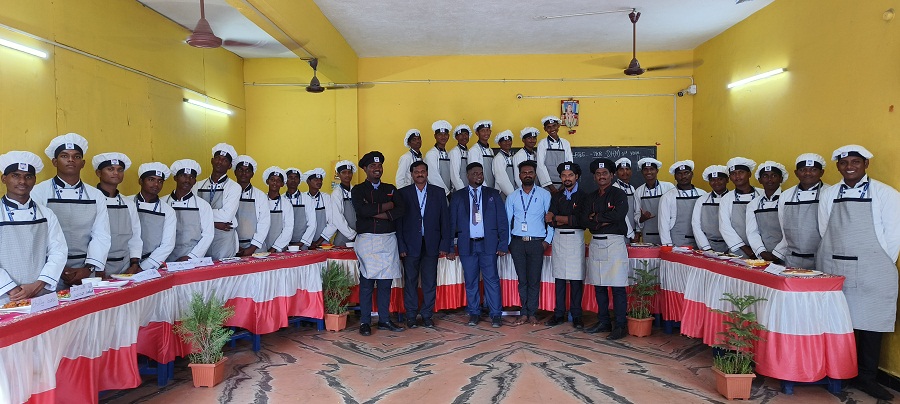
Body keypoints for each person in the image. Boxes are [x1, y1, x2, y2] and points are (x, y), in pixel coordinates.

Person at [817, 145, 900, 401]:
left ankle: (867, 377)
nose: (849, 167)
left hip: (873, 267)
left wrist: (877, 262)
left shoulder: (886, 194)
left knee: (871, 323)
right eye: (844, 163)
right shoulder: (829, 194)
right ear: (837, 166)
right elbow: (824, 229)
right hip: (836, 266)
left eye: (856, 162)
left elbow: (893, 237)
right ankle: (842, 372)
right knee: (841, 323)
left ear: (866, 164)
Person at [32, 133, 110, 287]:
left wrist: (88, 269)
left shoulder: (96, 195)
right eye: (64, 156)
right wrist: (56, 268)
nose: (71, 160)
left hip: (85, 271)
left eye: (76, 156)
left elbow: (101, 234)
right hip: (49, 270)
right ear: (55, 162)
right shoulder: (38, 192)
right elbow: (37, 236)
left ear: (83, 163)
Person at [0, 151, 66, 304]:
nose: (22, 181)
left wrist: (39, 284)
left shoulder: (46, 214)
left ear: (35, 180)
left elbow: (58, 251)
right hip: (5, 296)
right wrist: (11, 288)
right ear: (4, 179)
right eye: (15, 175)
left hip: (41, 294)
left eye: (28, 176)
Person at [352, 151, 406, 336]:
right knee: (367, 283)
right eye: (372, 166)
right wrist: (387, 206)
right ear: (365, 169)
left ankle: (384, 319)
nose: (377, 169)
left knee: (385, 283)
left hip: (388, 239)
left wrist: (375, 212)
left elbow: (401, 210)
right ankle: (365, 322)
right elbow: (362, 210)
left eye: (379, 165)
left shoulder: (390, 188)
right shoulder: (358, 190)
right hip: (367, 240)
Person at [450, 162, 508, 328]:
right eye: (474, 173)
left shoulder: (493, 194)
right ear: (467, 176)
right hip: (467, 245)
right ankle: (474, 313)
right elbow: (451, 223)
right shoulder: (458, 196)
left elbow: (502, 221)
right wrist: (449, 247)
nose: (478, 176)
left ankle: (495, 314)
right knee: (471, 281)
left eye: (481, 173)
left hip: (488, 244)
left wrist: (503, 244)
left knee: (492, 280)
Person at [396, 161, 452, 329]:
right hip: (410, 246)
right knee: (410, 281)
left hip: (431, 244)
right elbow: (399, 223)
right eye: (416, 172)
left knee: (429, 282)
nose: (420, 174)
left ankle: (427, 315)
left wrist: (444, 244)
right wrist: (401, 246)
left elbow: (445, 220)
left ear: (427, 173)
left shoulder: (438, 192)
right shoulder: (403, 193)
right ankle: (411, 316)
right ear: (411, 174)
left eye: (422, 171)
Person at [581, 158, 630, 340]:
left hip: (614, 243)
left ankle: (620, 325)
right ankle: (604, 321)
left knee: (617, 286)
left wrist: (596, 217)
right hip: (596, 242)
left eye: (605, 173)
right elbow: (584, 219)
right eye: (598, 174)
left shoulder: (619, 194)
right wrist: (603, 219)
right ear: (594, 177)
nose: (601, 176)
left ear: (612, 175)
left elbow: (618, 215)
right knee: (599, 285)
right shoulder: (591, 197)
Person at [506, 160, 553, 325]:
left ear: (535, 175)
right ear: (519, 176)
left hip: (537, 243)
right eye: (524, 172)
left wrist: (547, 241)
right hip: (517, 243)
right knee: (522, 280)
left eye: (530, 172)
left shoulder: (544, 195)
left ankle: (532, 312)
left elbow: (550, 220)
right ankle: (524, 312)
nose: (527, 175)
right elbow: (506, 222)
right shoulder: (512, 197)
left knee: (534, 280)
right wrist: (509, 243)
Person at [545, 162, 586, 329]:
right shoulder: (557, 196)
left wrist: (558, 218)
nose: (567, 178)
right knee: (560, 277)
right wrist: (566, 219)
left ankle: (576, 315)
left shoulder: (584, 196)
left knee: (576, 278)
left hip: (576, 237)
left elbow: (581, 220)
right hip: (559, 238)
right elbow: (549, 220)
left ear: (577, 177)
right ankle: (558, 313)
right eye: (563, 175)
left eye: (570, 175)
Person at [772, 153, 829, 269]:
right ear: (796, 173)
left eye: (813, 169)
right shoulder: (786, 196)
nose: (808, 173)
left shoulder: (829, 193)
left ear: (822, 172)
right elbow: (784, 229)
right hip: (792, 259)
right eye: (803, 170)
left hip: (822, 258)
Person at [92, 153, 142, 275]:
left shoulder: (128, 203)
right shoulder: (91, 200)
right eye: (110, 169)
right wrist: (95, 266)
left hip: (124, 266)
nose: (116, 173)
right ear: (98, 173)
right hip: (96, 267)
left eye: (120, 170)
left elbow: (135, 236)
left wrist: (134, 264)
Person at [194, 143, 241, 260]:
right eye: (218, 158)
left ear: (229, 166)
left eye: (224, 160)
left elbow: (226, 216)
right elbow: (191, 214)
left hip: (224, 239)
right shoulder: (197, 185)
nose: (220, 162)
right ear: (212, 161)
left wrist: (202, 216)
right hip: (201, 238)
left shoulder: (234, 187)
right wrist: (215, 224)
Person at [163, 159, 214, 262]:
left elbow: (208, 235)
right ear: (175, 178)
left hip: (191, 258)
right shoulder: (163, 202)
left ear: (195, 181)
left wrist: (191, 257)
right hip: (164, 257)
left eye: (191, 177)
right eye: (183, 176)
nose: (187, 180)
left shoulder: (203, 205)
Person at [133, 163, 177, 270]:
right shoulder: (128, 203)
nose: (156, 184)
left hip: (151, 264)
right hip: (126, 262)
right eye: (151, 179)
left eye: (160, 181)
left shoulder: (168, 211)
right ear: (140, 181)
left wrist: (144, 267)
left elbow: (168, 244)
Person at [718, 157, 763, 258]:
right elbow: (725, 227)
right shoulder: (726, 198)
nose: (737, 176)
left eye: (741, 172)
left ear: (749, 174)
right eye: (733, 174)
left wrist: (759, 249)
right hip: (738, 250)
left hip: (763, 249)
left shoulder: (762, 194)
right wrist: (745, 249)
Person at [746, 161, 788, 262]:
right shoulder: (753, 204)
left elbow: (790, 232)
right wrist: (761, 251)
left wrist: (777, 253)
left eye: (774, 175)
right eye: (765, 176)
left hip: (787, 254)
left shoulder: (788, 200)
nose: (770, 179)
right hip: (763, 256)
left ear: (781, 179)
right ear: (759, 180)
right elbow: (752, 232)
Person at [658, 160, 706, 247]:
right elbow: (663, 224)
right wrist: (667, 246)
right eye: (679, 174)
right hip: (677, 242)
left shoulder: (703, 194)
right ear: (675, 177)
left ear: (692, 174)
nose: (683, 176)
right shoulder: (667, 197)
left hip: (701, 242)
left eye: (686, 173)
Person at [232, 155, 270, 257]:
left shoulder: (260, 195)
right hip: (231, 245)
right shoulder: (228, 193)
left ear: (252, 174)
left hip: (256, 248)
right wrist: (235, 245)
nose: (244, 173)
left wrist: (252, 248)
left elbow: (264, 222)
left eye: (247, 171)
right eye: (240, 170)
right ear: (235, 172)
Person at [634, 158, 674, 245]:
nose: (648, 172)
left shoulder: (668, 187)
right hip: (648, 234)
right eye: (645, 169)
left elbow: (674, 212)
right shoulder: (638, 191)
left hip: (668, 233)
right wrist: (642, 218)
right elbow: (637, 213)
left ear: (657, 171)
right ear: (642, 172)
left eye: (651, 169)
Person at [691, 165, 731, 253]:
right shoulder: (702, 200)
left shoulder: (733, 198)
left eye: (720, 179)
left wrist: (735, 246)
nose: (716, 182)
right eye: (712, 180)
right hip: (709, 244)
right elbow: (696, 225)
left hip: (732, 245)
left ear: (727, 180)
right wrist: (706, 247)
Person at [536, 116, 573, 193]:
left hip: (564, 184)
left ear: (558, 126)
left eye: (554, 126)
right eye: (548, 127)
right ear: (545, 129)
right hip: (547, 186)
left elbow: (569, 164)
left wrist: (564, 185)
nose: (552, 129)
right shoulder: (542, 144)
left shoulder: (565, 143)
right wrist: (551, 187)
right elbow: (540, 166)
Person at [262, 166, 294, 252]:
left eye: (278, 181)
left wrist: (275, 247)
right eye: (272, 179)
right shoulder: (261, 200)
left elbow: (288, 228)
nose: (275, 183)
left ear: (282, 184)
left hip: (279, 247)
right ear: (267, 181)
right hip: (260, 245)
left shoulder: (286, 204)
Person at [305, 168, 339, 249]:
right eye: (315, 180)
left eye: (320, 180)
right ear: (308, 181)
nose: (319, 182)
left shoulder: (326, 198)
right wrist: (306, 241)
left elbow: (332, 222)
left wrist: (318, 242)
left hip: (323, 240)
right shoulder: (303, 198)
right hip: (304, 241)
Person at [284, 167, 317, 249]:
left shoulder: (307, 199)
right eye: (290, 177)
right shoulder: (281, 199)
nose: (293, 180)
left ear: (299, 181)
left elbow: (312, 224)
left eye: (296, 178)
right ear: (285, 180)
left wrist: (301, 243)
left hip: (302, 244)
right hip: (283, 244)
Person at [329, 160, 358, 247]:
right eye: (344, 172)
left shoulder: (356, 191)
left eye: (349, 172)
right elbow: (337, 217)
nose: (347, 175)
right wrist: (352, 235)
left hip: (358, 234)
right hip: (343, 235)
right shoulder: (337, 193)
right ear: (338, 174)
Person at [612, 158, 639, 241]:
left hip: (633, 232)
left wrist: (637, 231)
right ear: (616, 173)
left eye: (627, 169)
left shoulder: (632, 188)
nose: (625, 172)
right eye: (621, 170)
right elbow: (620, 214)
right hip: (619, 231)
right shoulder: (614, 189)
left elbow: (636, 211)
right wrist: (631, 234)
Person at [424, 120, 454, 195]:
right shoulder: (431, 154)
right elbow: (433, 177)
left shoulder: (447, 153)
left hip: (448, 192)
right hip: (436, 193)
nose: (443, 137)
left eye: (445, 134)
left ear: (448, 136)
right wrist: (446, 193)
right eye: (440, 135)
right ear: (435, 136)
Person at [468, 120, 495, 188]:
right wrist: (484, 188)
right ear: (477, 133)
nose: (486, 133)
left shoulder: (490, 150)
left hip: (492, 187)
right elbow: (474, 173)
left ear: (490, 132)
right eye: (483, 131)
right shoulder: (474, 150)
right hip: (481, 187)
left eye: (487, 130)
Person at [492, 130, 517, 198]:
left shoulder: (511, 157)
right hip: (504, 192)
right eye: (504, 141)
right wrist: (512, 194)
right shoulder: (499, 158)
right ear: (499, 143)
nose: (507, 143)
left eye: (509, 140)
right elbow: (501, 179)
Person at [448, 124, 471, 193]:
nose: (464, 137)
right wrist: (463, 191)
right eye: (461, 135)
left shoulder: (469, 151)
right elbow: (454, 176)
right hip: (459, 190)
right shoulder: (454, 152)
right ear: (456, 137)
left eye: (466, 134)